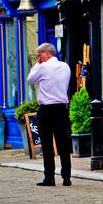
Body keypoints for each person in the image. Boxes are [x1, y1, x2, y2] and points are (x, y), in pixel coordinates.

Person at [27, 43, 74, 186]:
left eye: (40, 55)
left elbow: (30, 80)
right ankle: (66, 177)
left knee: (47, 145)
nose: (39, 58)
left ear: (47, 53)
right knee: (63, 144)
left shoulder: (42, 67)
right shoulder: (65, 66)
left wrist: (37, 64)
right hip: (61, 109)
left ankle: (49, 178)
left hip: (46, 110)